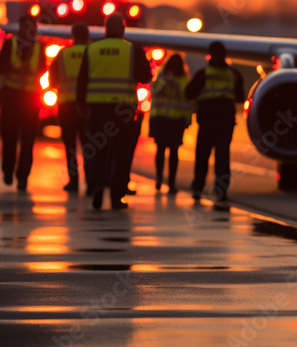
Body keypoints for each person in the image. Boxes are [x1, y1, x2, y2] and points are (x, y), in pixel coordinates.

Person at [77, 13, 151, 210]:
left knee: (96, 152)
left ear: (105, 29)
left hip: (97, 110)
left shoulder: (92, 49)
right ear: (123, 29)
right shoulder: (133, 50)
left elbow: (81, 81)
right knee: (122, 154)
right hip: (123, 111)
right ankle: (118, 196)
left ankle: (97, 187)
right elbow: (146, 77)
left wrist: (82, 107)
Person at [185, 41, 244, 202]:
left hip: (207, 121)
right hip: (225, 122)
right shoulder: (234, 74)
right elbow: (240, 97)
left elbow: (189, 92)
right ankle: (221, 190)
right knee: (223, 156)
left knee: (202, 155)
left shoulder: (203, 74)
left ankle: (198, 187)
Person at [0, 14, 45, 191]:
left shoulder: (39, 47)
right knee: (9, 138)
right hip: (11, 98)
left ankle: (23, 177)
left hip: (30, 100)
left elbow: (42, 69)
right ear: (21, 28)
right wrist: (14, 67)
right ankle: (8, 171)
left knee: (28, 141)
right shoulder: (10, 44)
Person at [48, 22, 90, 194]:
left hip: (66, 106)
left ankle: (73, 181)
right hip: (87, 106)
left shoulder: (63, 54)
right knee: (90, 145)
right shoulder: (92, 52)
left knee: (70, 146)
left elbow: (52, 81)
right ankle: (91, 181)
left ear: (73, 35)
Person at [149, 54, 193, 193]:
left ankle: (169, 182)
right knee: (163, 150)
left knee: (171, 152)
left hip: (173, 120)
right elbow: (154, 90)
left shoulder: (183, 80)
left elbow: (187, 100)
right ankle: (161, 180)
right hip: (165, 119)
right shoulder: (162, 77)